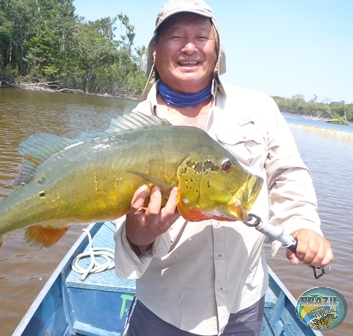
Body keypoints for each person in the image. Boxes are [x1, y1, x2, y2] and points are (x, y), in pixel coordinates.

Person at [113, 0, 334, 335]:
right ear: (155, 51)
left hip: (245, 306)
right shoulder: (129, 132)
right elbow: (117, 219)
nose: (189, 47)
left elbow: (287, 174)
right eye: (175, 37)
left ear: (218, 49)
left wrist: (302, 224)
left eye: (201, 36)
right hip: (165, 313)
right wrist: (137, 236)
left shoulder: (259, 108)